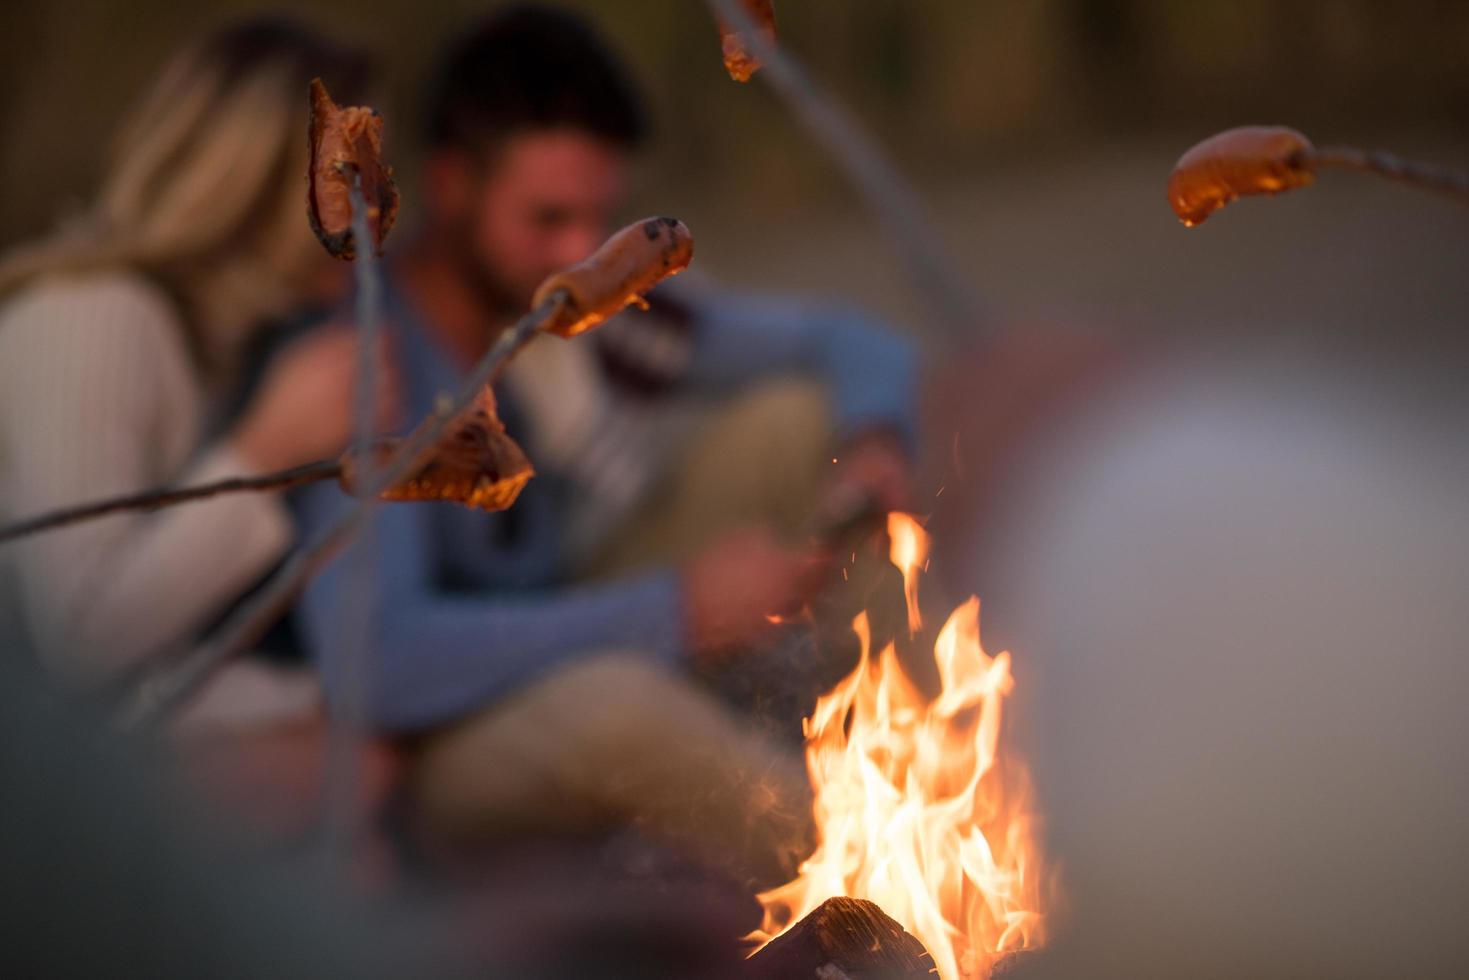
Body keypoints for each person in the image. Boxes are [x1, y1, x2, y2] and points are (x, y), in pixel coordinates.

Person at [290, 4, 919, 888]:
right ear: (451, 185)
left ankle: (936, 746)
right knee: (619, 710)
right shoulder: (369, 365)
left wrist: (874, 440)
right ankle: (903, 882)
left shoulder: (584, 308)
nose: (579, 250)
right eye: (547, 217)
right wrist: (676, 611)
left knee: (791, 423)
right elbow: (380, 660)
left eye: (599, 217)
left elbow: (853, 343)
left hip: (577, 607)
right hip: (433, 740)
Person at [0, 18, 398, 727]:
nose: (377, 208)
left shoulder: (225, 338)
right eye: (351, 176)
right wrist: (263, 452)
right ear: (261, 185)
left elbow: (160, 659)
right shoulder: (93, 318)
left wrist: (312, 708)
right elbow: (78, 640)